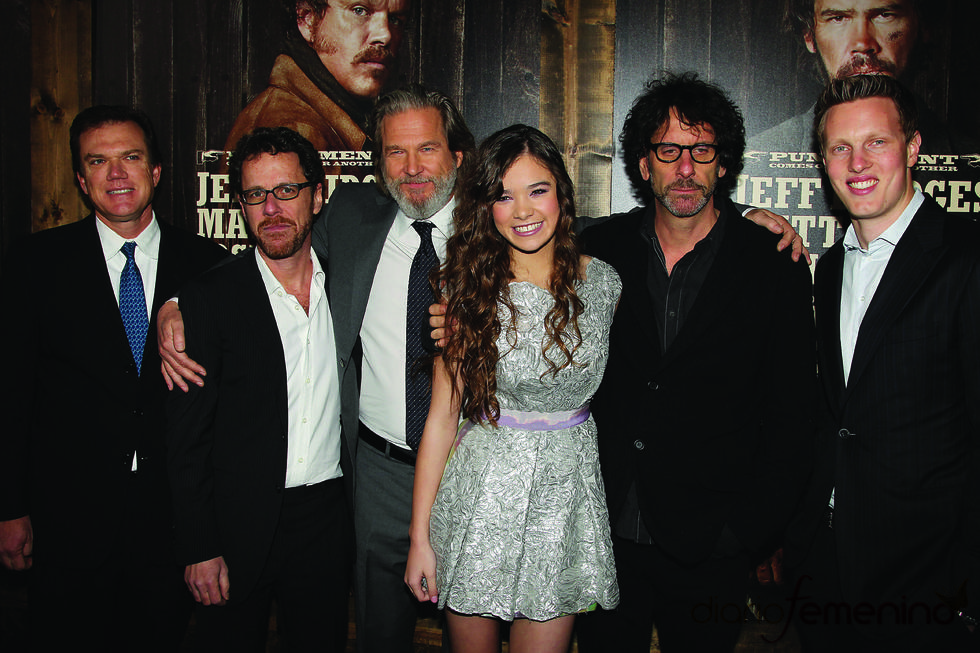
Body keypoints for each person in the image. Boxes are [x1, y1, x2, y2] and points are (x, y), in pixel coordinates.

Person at [160, 84, 805, 653]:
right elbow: (273, 245)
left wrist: (751, 218)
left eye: (538, 190)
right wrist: (180, 301)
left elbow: (684, 229)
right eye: (394, 152)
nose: (413, 168)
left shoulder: (605, 266)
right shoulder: (400, 245)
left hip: (569, 504)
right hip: (433, 485)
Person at [574, 72, 817, 653]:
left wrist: (746, 532)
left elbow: (793, 414)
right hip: (602, 535)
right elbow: (510, 251)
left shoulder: (771, 263)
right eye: (668, 151)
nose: (685, 168)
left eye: (701, 151)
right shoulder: (595, 250)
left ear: (723, 164)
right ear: (642, 165)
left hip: (713, 544)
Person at [0, 105, 227, 652]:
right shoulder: (34, 264)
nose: (116, 174)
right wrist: (9, 507)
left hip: (168, 521)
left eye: (131, 158)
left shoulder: (208, 266)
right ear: (81, 180)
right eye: (98, 162)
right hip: (67, 521)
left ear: (156, 171)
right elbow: (11, 393)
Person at [404, 125, 621, 652]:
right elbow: (440, 420)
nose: (522, 210)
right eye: (504, 195)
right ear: (486, 207)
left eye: (537, 190)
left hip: (563, 501)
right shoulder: (466, 291)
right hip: (481, 499)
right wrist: (420, 538)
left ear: (563, 196)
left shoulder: (604, 283)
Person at [783, 74, 980, 652]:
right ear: (822, 160)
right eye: (840, 147)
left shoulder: (966, 259)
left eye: (877, 142)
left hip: (930, 585)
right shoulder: (830, 269)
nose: (857, 161)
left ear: (913, 147)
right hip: (827, 577)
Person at [166, 127, 351, 652]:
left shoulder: (349, 282)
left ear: (318, 195)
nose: (271, 209)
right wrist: (198, 546)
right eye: (254, 195)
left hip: (326, 523)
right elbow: (185, 440)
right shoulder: (209, 298)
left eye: (286, 191)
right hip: (234, 523)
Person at [749, 0, 973, 154]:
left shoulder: (970, 162)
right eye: (838, 18)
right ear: (809, 35)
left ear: (923, 26)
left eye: (885, 15)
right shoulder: (757, 158)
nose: (863, 43)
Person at [224, 0, 410, 157]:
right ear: (307, 18)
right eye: (359, 11)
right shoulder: (295, 131)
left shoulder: (315, 118)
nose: (385, 35)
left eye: (395, 19)